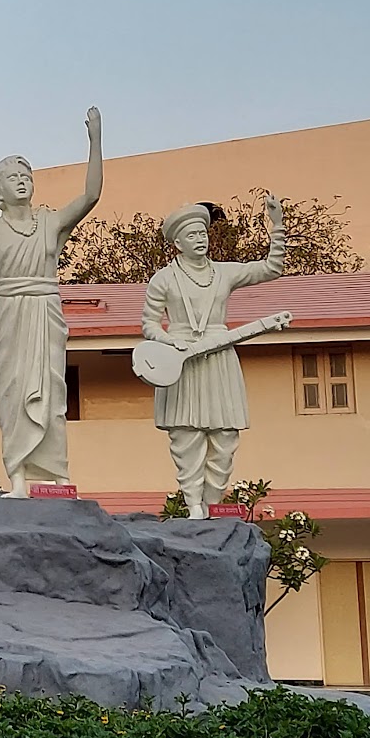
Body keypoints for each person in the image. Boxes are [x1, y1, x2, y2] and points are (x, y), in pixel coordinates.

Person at [0, 106, 103, 496]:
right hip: (12, 311)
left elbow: (90, 195)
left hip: (46, 309)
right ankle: (18, 476)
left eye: (25, 175)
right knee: (14, 390)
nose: (20, 182)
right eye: (10, 178)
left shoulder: (50, 223)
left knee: (52, 390)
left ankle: (58, 477)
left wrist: (95, 139)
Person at [142, 198, 287, 518]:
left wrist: (277, 227)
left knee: (225, 436)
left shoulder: (225, 273)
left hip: (219, 356)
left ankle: (213, 503)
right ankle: (194, 505)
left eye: (203, 232)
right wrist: (169, 342)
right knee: (186, 436)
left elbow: (270, 268)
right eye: (192, 235)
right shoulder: (163, 279)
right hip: (180, 361)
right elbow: (149, 323)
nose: (200, 239)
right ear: (177, 243)